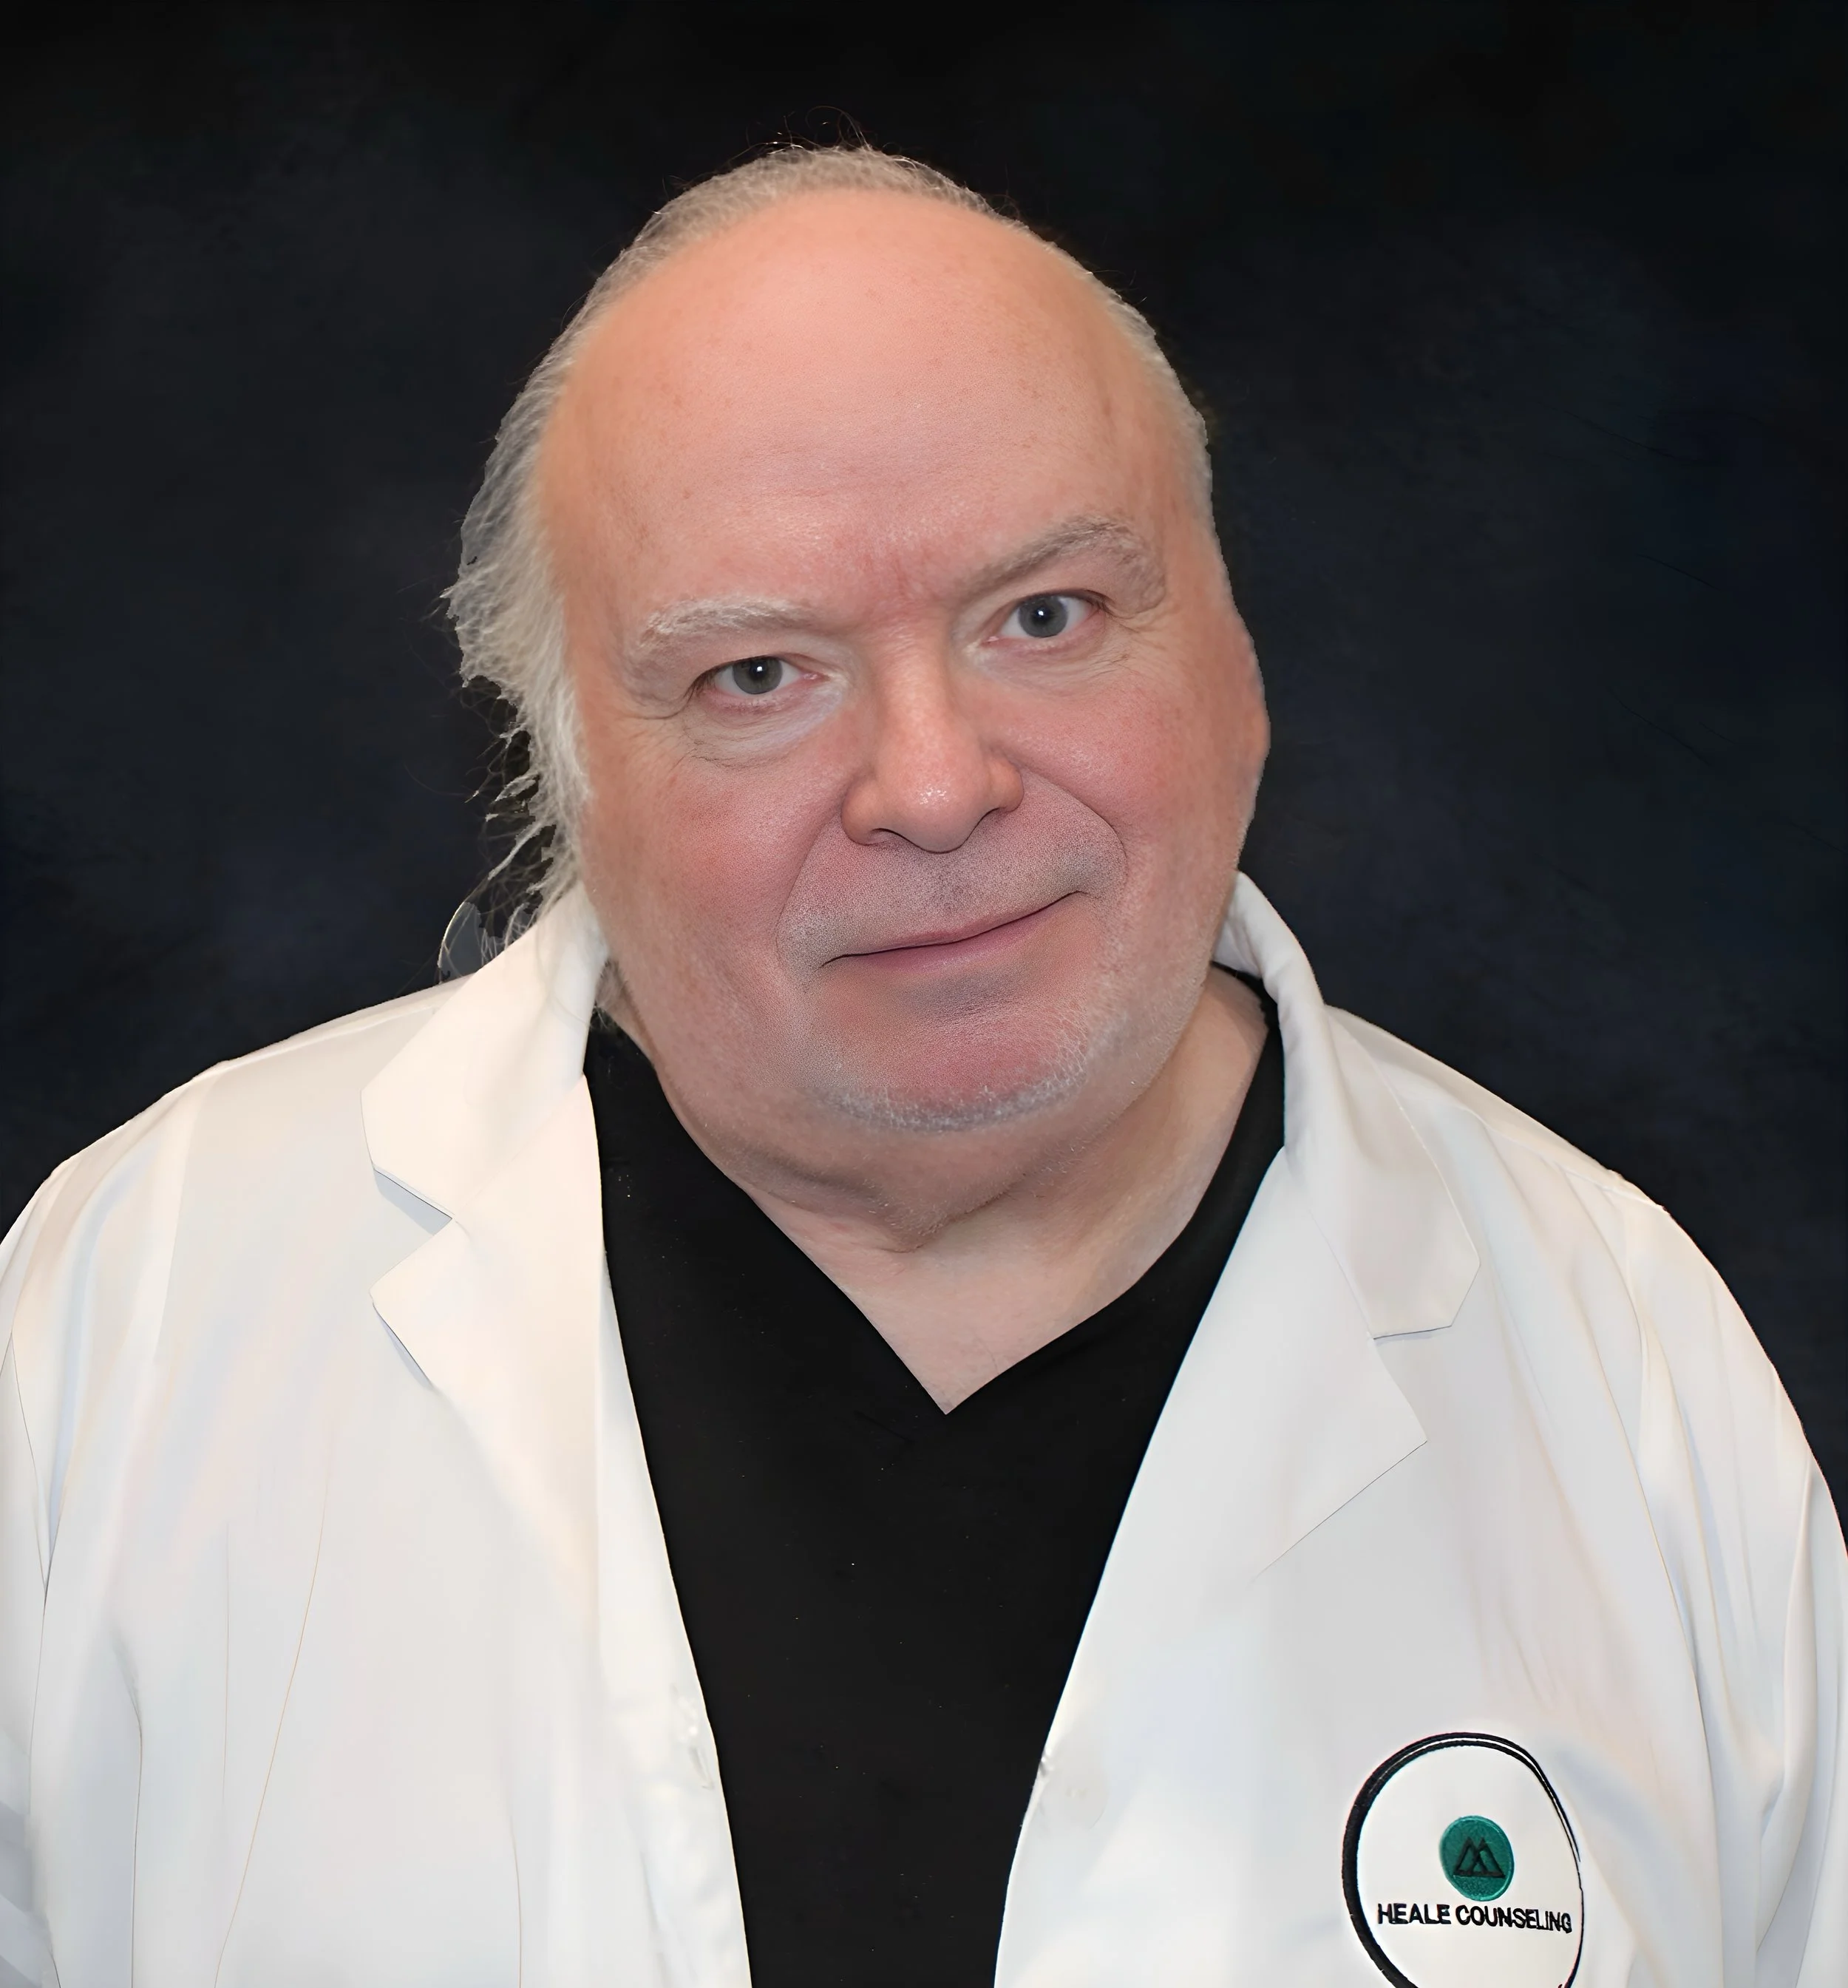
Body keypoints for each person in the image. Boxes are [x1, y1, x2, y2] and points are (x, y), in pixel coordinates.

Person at [0, 146, 1840, 1988]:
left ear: (1234, 669)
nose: (935, 783)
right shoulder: (142, 1312)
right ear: (568, 773)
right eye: (758, 677)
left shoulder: (1623, 1366)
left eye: (1041, 617)